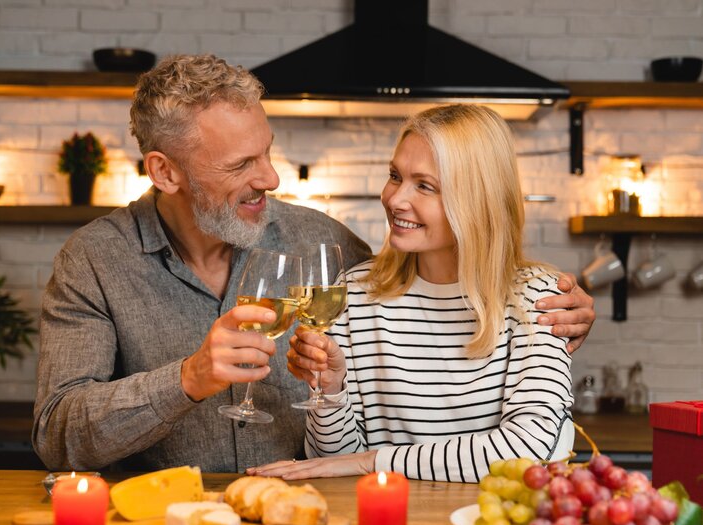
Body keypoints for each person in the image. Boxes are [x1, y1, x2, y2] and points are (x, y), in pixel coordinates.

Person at [33, 55, 594, 473]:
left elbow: (434, 289)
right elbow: (58, 435)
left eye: (269, 150)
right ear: (166, 172)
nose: (272, 178)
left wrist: (556, 314)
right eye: (241, 164)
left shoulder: (327, 248)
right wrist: (188, 378)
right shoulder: (94, 262)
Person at [250, 105, 577, 483]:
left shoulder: (539, 299)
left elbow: (526, 449)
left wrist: (372, 462)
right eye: (395, 176)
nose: (394, 199)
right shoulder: (352, 295)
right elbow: (333, 464)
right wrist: (332, 391)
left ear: (477, 199)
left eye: (424, 185)